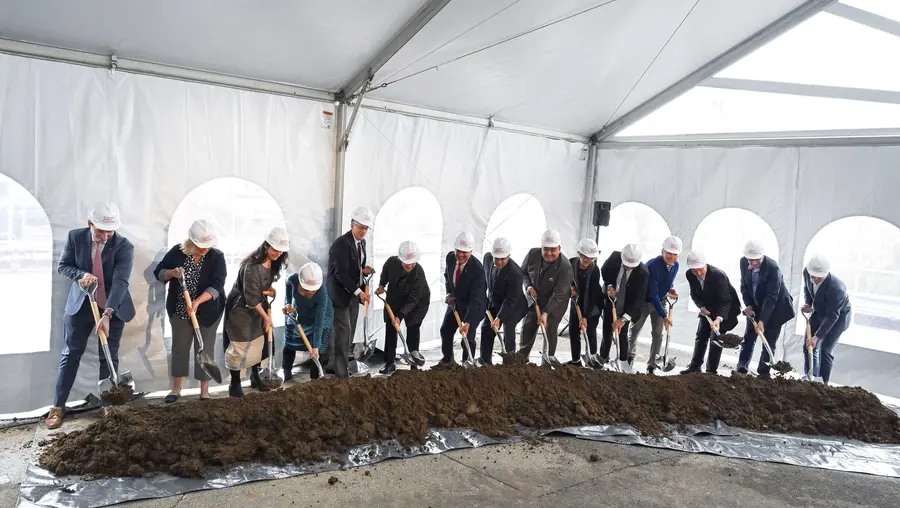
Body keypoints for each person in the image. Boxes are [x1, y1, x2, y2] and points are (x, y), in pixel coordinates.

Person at [47, 202, 135, 429]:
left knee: (108, 355)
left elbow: (120, 282)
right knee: (71, 353)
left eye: (110, 230)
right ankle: (58, 405)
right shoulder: (75, 238)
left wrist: (107, 313)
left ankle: (108, 404)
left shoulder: (124, 246)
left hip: (113, 307)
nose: (106, 236)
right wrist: (81, 274)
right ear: (89, 224)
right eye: (101, 231)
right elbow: (63, 265)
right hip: (81, 306)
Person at [153, 220, 227, 402]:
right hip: (179, 309)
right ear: (190, 242)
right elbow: (159, 272)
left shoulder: (217, 256)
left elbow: (218, 285)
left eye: (207, 246)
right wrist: (172, 273)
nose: (204, 249)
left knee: (204, 349)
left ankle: (204, 391)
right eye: (200, 246)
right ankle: (176, 388)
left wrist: (197, 302)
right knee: (180, 347)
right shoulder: (177, 252)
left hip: (208, 310)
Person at [223, 226, 290, 397]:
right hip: (241, 308)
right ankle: (235, 383)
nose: (278, 254)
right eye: (275, 249)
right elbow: (251, 298)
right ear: (266, 245)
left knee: (259, 343)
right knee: (241, 345)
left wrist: (270, 291)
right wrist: (266, 317)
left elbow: (261, 288)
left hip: (259, 306)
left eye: (281, 251)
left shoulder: (274, 262)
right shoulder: (252, 266)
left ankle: (256, 376)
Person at [326, 206, 376, 378]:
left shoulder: (361, 243)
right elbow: (341, 273)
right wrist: (358, 292)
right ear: (351, 225)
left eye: (366, 228)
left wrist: (364, 270)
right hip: (339, 295)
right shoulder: (341, 244)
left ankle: (334, 364)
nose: (363, 231)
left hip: (353, 295)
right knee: (343, 332)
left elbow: (355, 266)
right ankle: (341, 373)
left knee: (350, 331)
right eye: (360, 227)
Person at [737, 239, 795, 379]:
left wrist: (762, 321)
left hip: (777, 310)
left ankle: (763, 373)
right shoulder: (743, 262)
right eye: (751, 260)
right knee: (749, 338)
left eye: (757, 259)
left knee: (768, 342)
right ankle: (741, 368)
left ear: (762, 256)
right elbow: (744, 286)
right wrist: (749, 306)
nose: (754, 262)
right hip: (756, 307)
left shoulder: (772, 268)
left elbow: (771, 297)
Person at [518, 229, 573, 362]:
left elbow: (559, 295)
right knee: (527, 328)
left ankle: (546, 362)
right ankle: (522, 359)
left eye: (553, 249)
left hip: (555, 305)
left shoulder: (565, 267)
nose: (549, 253)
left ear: (559, 248)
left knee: (549, 331)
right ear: (541, 247)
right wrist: (528, 286)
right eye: (546, 249)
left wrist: (546, 312)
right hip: (534, 299)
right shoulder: (532, 254)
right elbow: (523, 272)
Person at [376, 241, 430, 374]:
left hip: (417, 303)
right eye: (407, 262)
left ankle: (414, 364)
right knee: (390, 327)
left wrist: (400, 316)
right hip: (395, 297)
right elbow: (385, 271)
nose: (410, 265)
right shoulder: (392, 262)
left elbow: (413, 300)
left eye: (413, 262)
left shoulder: (418, 273)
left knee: (412, 327)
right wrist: (382, 285)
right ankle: (390, 362)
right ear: (400, 259)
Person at [681, 250, 740, 374]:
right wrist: (701, 306)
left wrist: (718, 319)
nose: (698, 273)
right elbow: (694, 294)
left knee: (716, 339)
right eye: (694, 270)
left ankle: (711, 371)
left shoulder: (718, 276)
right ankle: (695, 367)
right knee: (701, 336)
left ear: (705, 265)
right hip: (707, 309)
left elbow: (725, 301)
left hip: (725, 309)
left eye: (700, 269)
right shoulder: (690, 274)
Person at [629, 236, 681, 374]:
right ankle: (629, 358)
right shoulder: (652, 266)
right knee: (635, 330)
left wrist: (670, 289)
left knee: (658, 333)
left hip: (661, 300)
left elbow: (665, 281)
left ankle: (652, 364)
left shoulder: (676, 265)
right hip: (644, 301)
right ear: (662, 251)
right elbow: (652, 294)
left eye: (675, 254)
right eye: (669, 253)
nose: (672, 257)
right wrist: (664, 315)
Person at [801, 255, 851, 385]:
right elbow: (807, 288)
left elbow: (832, 316)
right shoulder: (807, 272)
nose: (814, 279)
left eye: (818, 276)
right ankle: (811, 377)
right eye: (812, 275)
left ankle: (823, 384)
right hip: (819, 312)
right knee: (808, 345)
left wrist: (817, 336)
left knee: (825, 349)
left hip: (838, 318)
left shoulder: (837, 288)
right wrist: (809, 303)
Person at [600, 244, 648, 374]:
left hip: (627, 305)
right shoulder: (615, 257)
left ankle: (622, 360)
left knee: (622, 333)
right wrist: (609, 285)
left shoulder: (643, 273)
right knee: (607, 330)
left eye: (631, 266)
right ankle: (603, 357)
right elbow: (604, 270)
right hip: (611, 298)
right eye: (626, 265)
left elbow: (638, 300)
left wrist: (624, 319)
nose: (628, 268)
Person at [440, 232, 486, 364]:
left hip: (474, 306)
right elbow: (447, 276)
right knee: (445, 330)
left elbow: (476, 298)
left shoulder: (477, 270)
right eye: (458, 250)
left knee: (468, 336)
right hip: (456, 302)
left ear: (471, 251)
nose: (461, 254)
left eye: (465, 252)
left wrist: (468, 322)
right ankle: (448, 360)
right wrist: (449, 292)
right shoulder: (450, 258)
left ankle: (468, 362)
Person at [283, 262, 333, 381]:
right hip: (300, 311)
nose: (310, 292)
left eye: (313, 290)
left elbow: (319, 321)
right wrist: (288, 302)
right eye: (307, 289)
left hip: (321, 316)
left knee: (318, 348)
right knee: (290, 341)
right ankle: (286, 372)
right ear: (300, 281)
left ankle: (315, 379)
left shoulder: (322, 293)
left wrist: (315, 347)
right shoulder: (294, 279)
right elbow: (287, 284)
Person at [481, 238, 527, 364]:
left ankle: (510, 360)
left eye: (503, 259)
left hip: (515, 304)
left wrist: (499, 318)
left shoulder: (516, 273)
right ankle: (485, 361)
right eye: (497, 258)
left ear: (509, 256)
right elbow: (484, 278)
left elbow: (510, 300)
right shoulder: (487, 258)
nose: (500, 262)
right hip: (495, 301)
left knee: (509, 325)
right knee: (486, 328)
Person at [568, 238, 603, 366]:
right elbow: (565, 280)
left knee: (590, 331)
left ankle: (592, 357)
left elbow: (593, 294)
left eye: (591, 258)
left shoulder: (594, 270)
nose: (588, 260)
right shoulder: (571, 263)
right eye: (585, 257)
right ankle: (576, 360)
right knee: (573, 330)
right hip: (576, 302)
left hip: (593, 304)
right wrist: (570, 289)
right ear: (579, 254)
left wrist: (586, 317)